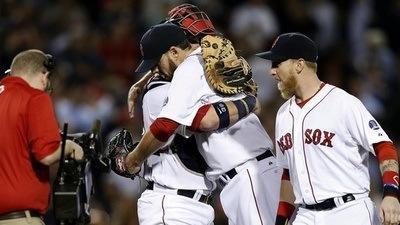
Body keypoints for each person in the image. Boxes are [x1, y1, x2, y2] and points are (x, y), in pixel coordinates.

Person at [124, 22, 280, 225]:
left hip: (249, 174)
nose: (154, 71)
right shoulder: (207, 65)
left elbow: (199, 120)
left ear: (173, 51)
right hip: (240, 178)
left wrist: (132, 160)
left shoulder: (187, 72)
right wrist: (249, 101)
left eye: (155, 64)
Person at [255, 32, 400, 225]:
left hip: (349, 211)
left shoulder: (343, 103)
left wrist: (391, 193)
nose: (271, 71)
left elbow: (384, 146)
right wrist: (281, 220)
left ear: (299, 65)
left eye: (277, 63)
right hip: (305, 215)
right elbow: (288, 174)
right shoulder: (282, 114)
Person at [0, 49, 84, 225]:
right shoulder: (35, 97)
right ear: (44, 75)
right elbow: (46, 154)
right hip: (20, 219)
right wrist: (69, 146)